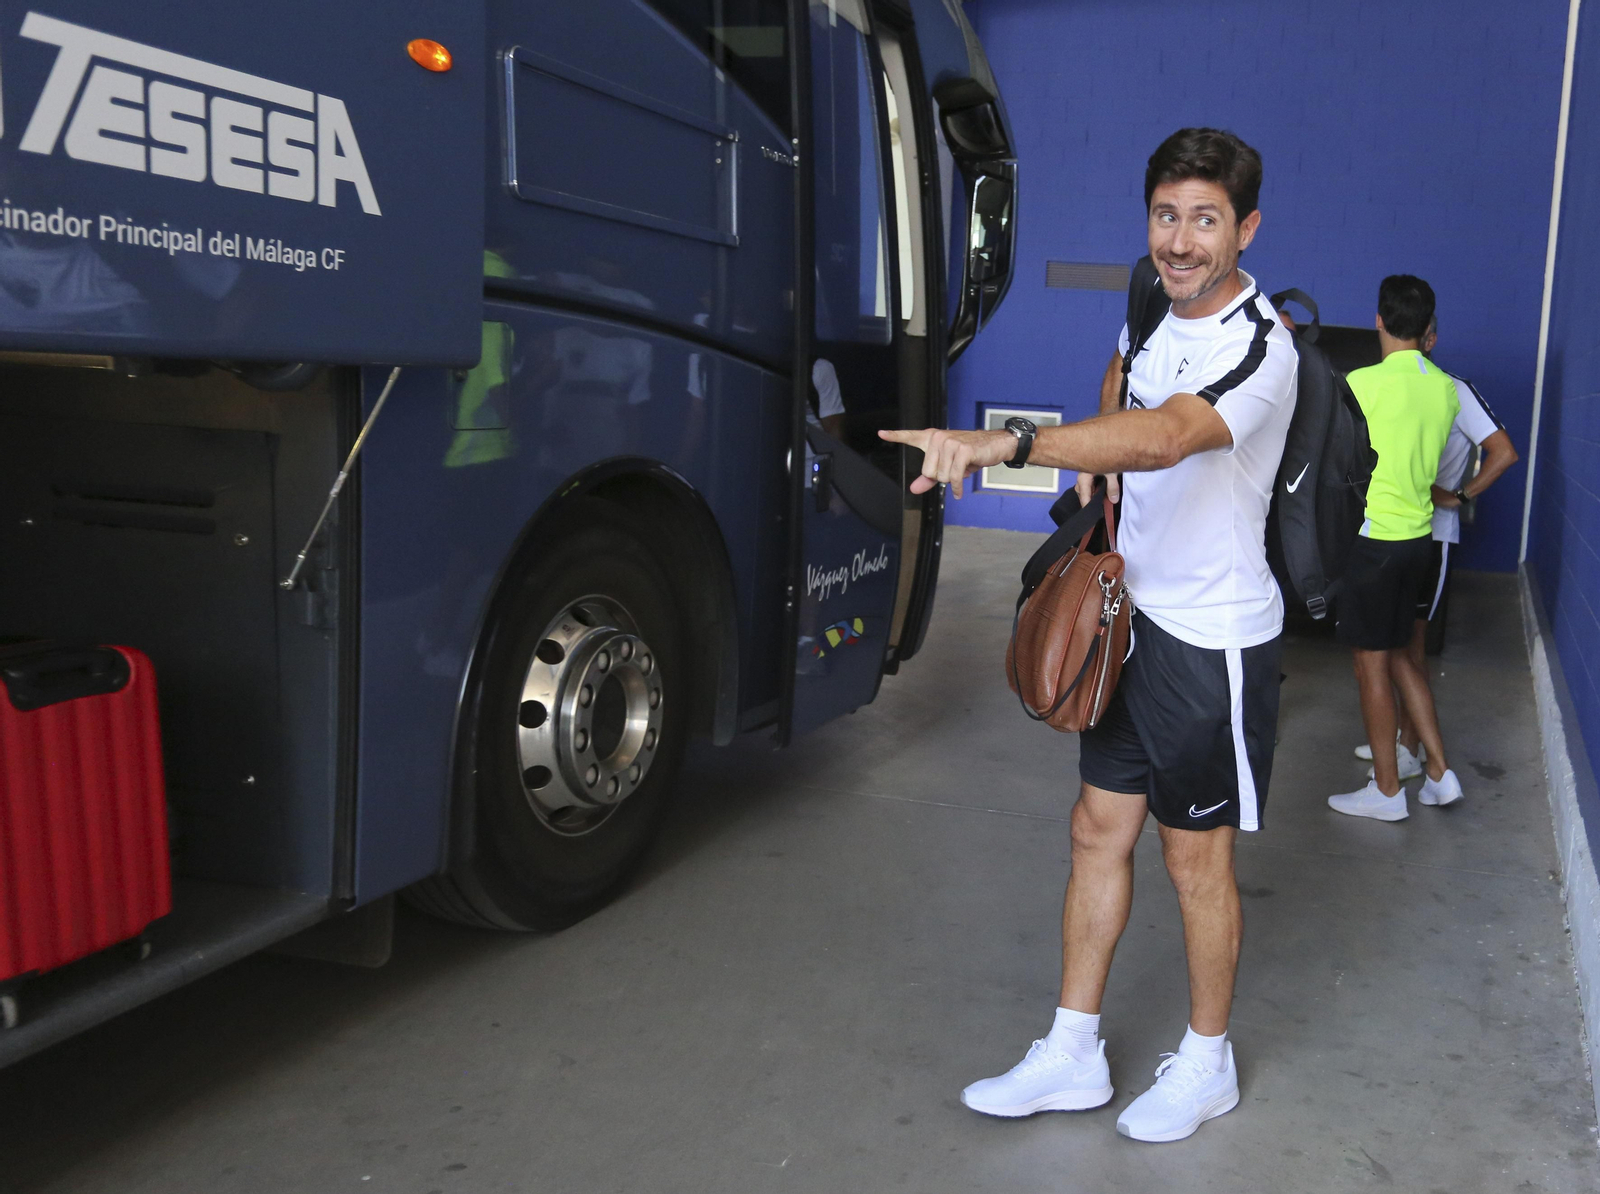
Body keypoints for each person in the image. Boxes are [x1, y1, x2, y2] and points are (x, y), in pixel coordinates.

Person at [880, 127, 1297, 1143]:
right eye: (1165, 215)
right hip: (1131, 622)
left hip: (1212, 644)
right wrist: (1090, 464)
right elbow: (1124, 382)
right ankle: (1072, 1051)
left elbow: (1163, 437)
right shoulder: (1152, 301)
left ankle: (1207, 1063)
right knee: (1094, 829)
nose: (1180, 240)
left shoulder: (1261, 348)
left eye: (1205, 219)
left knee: (1193, 860)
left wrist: (1010, 442)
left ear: (1245, 228)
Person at [1352, 315, 1519, 778]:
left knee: (1409, 650)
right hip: (1398, 531)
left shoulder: (1452, 389)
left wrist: (1460, 494)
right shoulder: (1391, 385)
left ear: (1431, 338)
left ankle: (1413, 750)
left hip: (1432, 533)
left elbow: (1503, 450)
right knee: (1395, 650)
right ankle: (1406, 747)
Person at [1327, 277, 1465, 821]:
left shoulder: (1359, 384)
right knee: (1407, 656)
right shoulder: (1445, 388)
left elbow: (1334, 464)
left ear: (1378, 321)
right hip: (1419, 542)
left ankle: (1386, 791)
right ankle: (1437, 772)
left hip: (1373, 542)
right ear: (1427, 329)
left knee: (1371, 665)